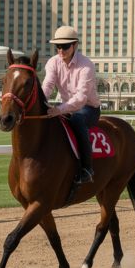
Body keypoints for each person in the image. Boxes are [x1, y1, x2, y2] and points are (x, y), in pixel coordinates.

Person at [42, 25, 101, 201]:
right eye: (58, 46)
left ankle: (87, 169)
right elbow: (47, 85)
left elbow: (81, 98)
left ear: (75, 45)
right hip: (66, 106)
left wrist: (58, 110)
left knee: (76, 120)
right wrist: (41, 103)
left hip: (89, 109)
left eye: (65, 46)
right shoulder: (53, 62)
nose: (61, 50)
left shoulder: (86, 65)